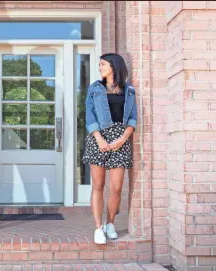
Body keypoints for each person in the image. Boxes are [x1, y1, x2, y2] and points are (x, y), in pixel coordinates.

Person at [82, 53, 137, 245]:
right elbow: (89, 115)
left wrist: (123, 139)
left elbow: (132, 119)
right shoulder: (95, 88)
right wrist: (99, 139)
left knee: (116, 187)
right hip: (99, 138)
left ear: (114, 66)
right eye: (99, 64)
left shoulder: (129, 90)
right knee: (98, 185)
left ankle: (110, 224)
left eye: (103, 64)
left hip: (120, 140)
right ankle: (98, 228)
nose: (100, 67)